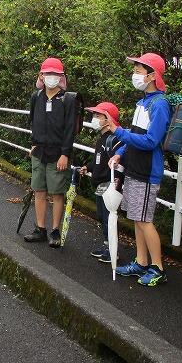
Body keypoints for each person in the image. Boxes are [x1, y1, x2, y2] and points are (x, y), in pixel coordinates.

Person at [109, 53, 172, 286]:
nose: (135, 74)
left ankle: (158, 268)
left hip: (147, 171)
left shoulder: (160, 104)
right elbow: (135, 135)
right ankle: (141, 261)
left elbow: (151, 141)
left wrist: (117, 131)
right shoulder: (143, 102)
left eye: (139, 70)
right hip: (135, 168)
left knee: (145, 219)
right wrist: (119, 153)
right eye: (135, 69)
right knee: (136, 217)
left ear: (152, 75)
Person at [24, 57, 76, 248]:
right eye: (48, 74)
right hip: (39, 151)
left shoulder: (68, 99)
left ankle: (55, 230)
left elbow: (70, 129)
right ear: (41, 75)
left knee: (57, 193)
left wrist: (65, 153)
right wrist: (33, 143)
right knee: (39, 190)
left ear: (61, 76)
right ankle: (40, 229)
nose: (51, 77)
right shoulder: (36, 97)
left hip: (58, 153)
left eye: (56, 74)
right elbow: (32, 121)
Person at [79, 102, 121, 264]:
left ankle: (113, 251)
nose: (94, 118)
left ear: (108, 119)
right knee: (102, 215)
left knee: (108, 216)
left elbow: (117, 164)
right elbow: (98, 161)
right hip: (100, 183)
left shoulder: (114, 139)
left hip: (108, 183)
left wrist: (115, 184)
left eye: (98, 115)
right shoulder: (102, 139)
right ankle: (107, 245)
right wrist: (87, 167)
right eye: (94, 115)